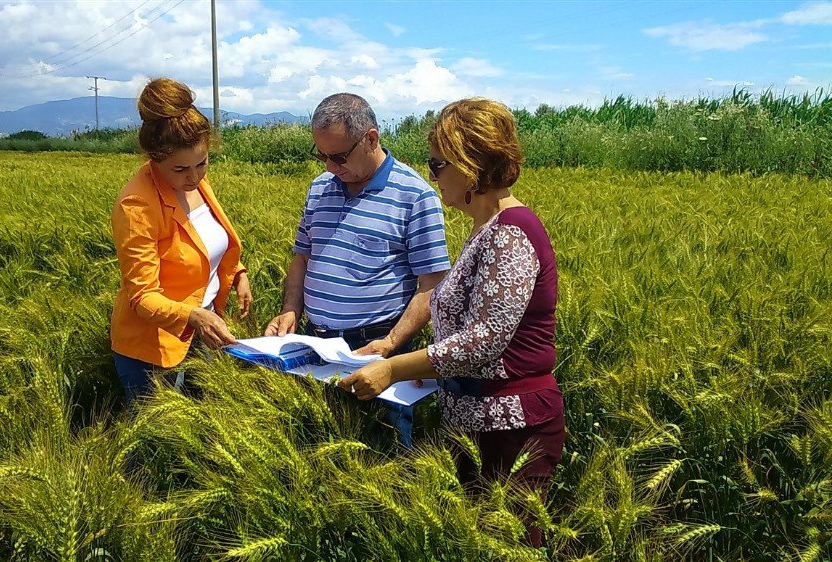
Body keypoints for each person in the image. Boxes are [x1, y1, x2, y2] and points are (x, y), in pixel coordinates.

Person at [338, 97, 565, 547]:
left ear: (470, 165)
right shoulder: (487, 229)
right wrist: (432, 375)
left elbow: (483, 342)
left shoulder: (511, 232)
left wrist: (394, 367)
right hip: (478, 422)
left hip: (511, 427)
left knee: (509, 549)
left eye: (438, 164)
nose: (431, 175)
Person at [264, 93, 450, 448]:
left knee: (384, 448)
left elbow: (432, 284)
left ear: (371, 138)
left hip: (377, 347)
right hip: (314, 343)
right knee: (316, 443)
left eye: (338, 156)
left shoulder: (416, 196)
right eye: (322, 155)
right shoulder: (319, 188)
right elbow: (303, 256)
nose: (330, 167)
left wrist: (391, 344)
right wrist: (291, 308)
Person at [110, 77, 252, 402]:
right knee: (152, 440)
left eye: (202, 163)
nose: (194, 176)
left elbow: (206, 240)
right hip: (153, 346)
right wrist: (195, 317)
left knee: (204, 424)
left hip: (205, 331)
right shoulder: (137, 205)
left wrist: (238, 272)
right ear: (153, 159)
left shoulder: (195, 182)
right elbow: (142, 296)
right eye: (180, 169)